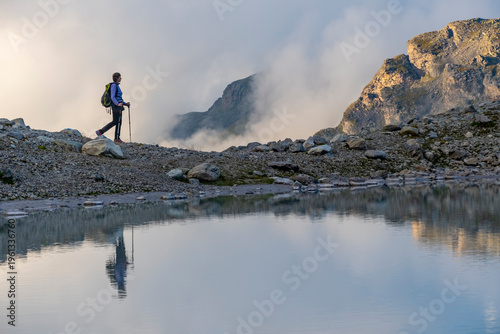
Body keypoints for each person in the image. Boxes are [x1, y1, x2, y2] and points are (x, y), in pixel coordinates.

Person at [96, 72, 130, 143]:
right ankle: (116, 138)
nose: (121, 78)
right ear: (117, 78)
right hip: (116, 106)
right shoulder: (114, 86)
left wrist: (125, 104)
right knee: (118, 122)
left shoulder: (116, 85)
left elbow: (118, 98)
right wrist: (118, 104)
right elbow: (113, 97)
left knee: (115, 121)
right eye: (120, 77)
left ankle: (101, 132)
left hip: (117, 105)